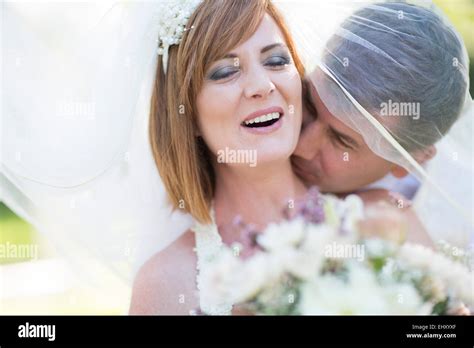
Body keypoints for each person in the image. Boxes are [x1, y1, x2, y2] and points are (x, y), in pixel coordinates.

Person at [129, 0, 308, 315]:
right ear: (188, 114)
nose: (262, 86)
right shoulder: (166, 284)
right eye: (225, 71)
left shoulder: (378, 222)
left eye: (277, 60)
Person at [291, 2, 473, 246]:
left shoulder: (459, 229)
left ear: (409, 161)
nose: (301, 147)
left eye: (341, 140)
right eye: (310, 106)